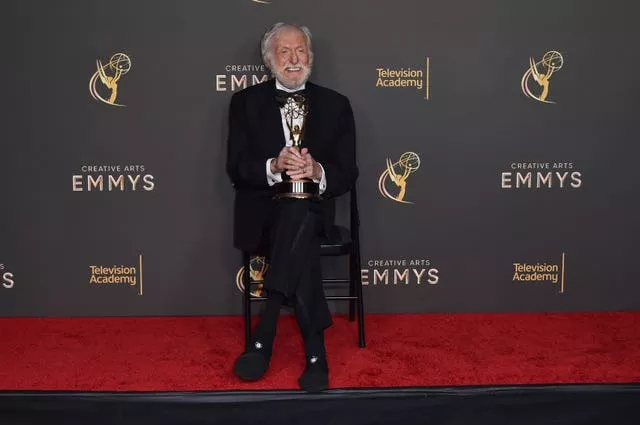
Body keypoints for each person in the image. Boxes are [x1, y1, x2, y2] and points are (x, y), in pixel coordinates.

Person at [226, 22, 358, 392]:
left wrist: (317, 171)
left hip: (316, 211)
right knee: (292, 218)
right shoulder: (244, 103)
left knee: (299, 213)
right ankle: (316, 352)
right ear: (270, 60)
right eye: (284, 52)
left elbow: (349, 172)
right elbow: (236, 168)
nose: (294, 58)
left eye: (300, 50)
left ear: (311, 57)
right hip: (264, 213)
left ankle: (264, 332)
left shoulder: (336, 105)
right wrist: (274, 165)